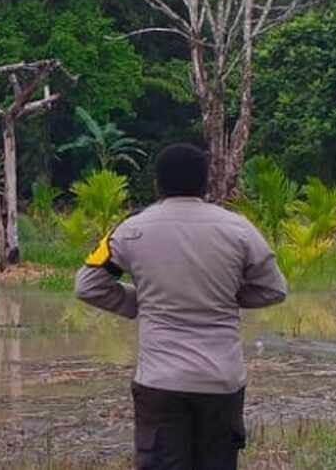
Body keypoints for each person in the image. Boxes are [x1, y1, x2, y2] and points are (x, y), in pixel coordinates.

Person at [74, 143, 288, 470]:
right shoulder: (238, 228)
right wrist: (225, 296)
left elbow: (88, 285)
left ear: (158, 184)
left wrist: (141, 303)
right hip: (221, 381)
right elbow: (273, 289)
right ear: (205, 183)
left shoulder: (132, 230)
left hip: (160, 382)